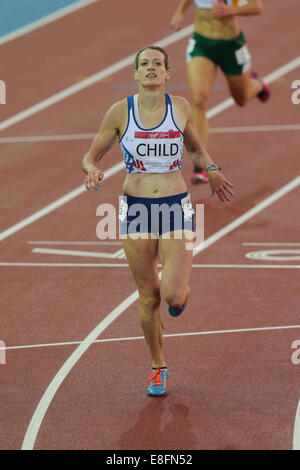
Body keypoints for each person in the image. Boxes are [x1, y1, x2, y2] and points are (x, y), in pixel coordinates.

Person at [82, 46, 234, 396]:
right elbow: (89, 157)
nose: (151, 68)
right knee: (148, 298)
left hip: (175, 205)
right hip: (135, 208)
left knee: (172, 294)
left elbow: (195, 149)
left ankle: (181, 296)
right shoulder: (120, 112)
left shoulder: (179, 108)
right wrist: (92, 171)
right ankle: (158, 366)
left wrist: (210, 170)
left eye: (158, 64)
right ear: (135, 74)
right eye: (144, 64)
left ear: (167, 73)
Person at [170, 0, 270, 184]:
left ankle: (256, 85)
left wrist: (230, 9)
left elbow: (256, 7)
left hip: (231, 46)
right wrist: (180, 11)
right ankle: (201, 166)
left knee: (241, 98)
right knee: (199, 101)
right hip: (202, 44)